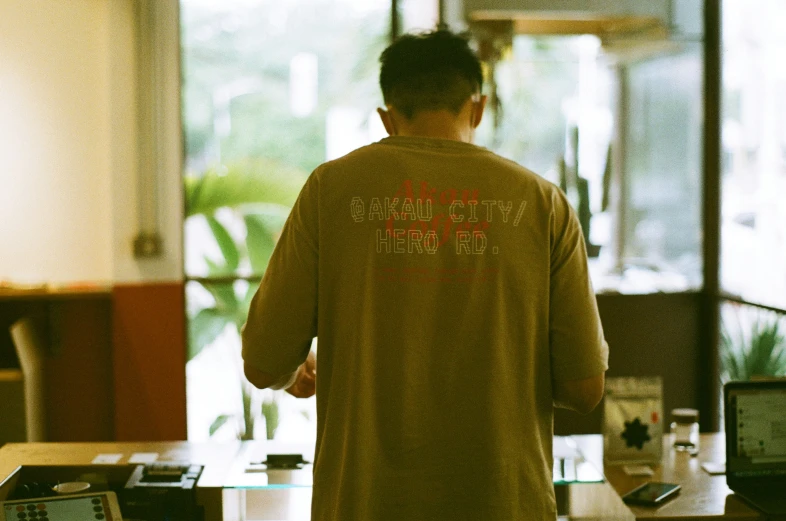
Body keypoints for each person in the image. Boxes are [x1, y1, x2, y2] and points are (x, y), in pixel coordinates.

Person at [241, 29, 609, 521]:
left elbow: (263, 364)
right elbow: (585, 387)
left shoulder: (330, 191)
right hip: (503, 503)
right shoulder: (542, 205)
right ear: (477, 108)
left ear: (388, 118)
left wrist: (296, 372)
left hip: (365, 505)